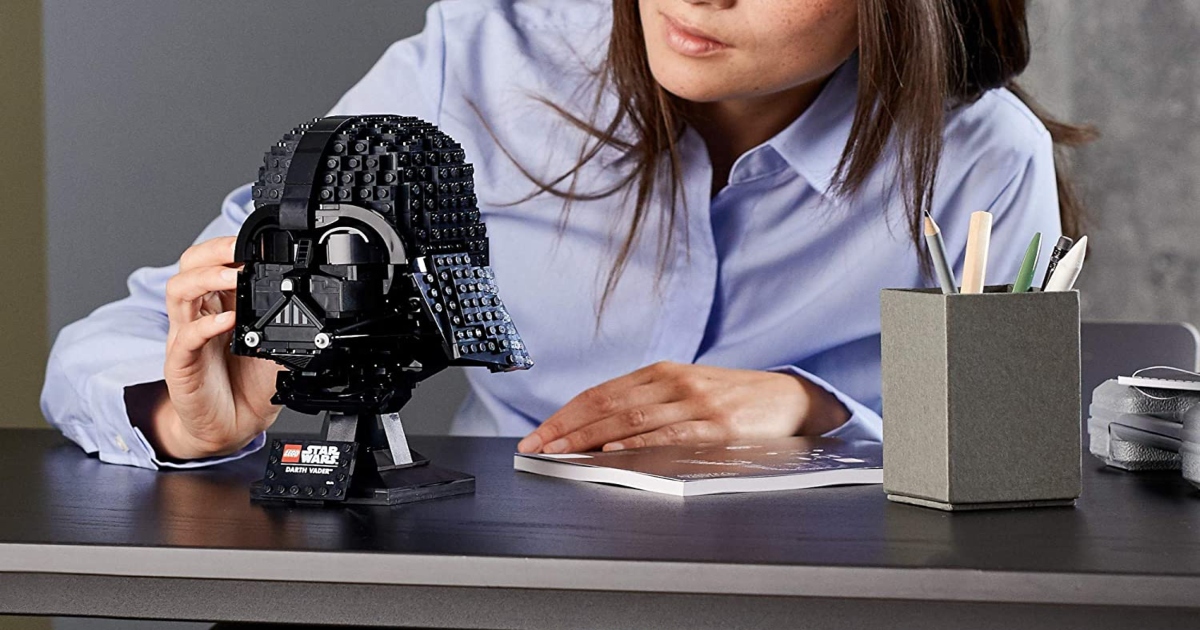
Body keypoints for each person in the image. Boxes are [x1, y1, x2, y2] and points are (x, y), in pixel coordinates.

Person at [41, 0, 1091, 469]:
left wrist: (817, 411)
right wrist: (188, 425)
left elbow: (1015, 455)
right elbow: (118, 341)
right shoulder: (484, 63)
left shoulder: (979, 154)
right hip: (509, 571)